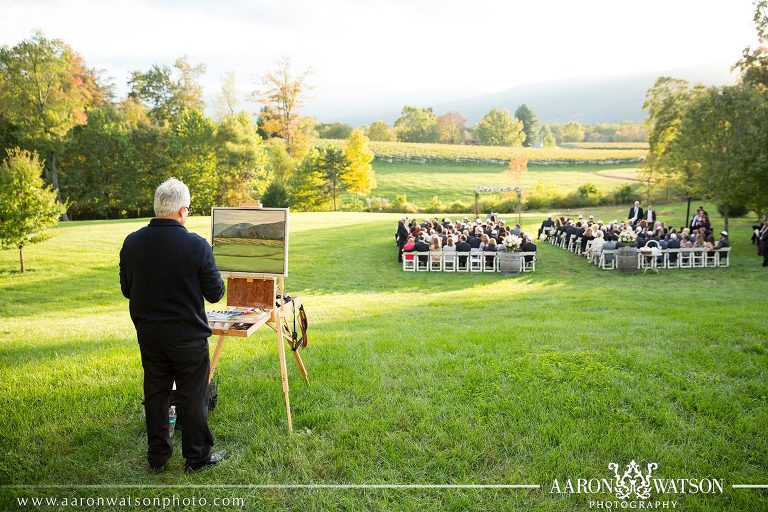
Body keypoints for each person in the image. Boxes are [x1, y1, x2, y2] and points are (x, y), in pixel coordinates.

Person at [119, 178, 227, 473]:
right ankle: (197, 458)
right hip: (188, 338)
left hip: (149, 336)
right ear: (182, 211)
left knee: (155, 394)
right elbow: (216, 293)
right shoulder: (197, 245)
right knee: (192, 396)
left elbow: (127, 289)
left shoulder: (132, 243)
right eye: (188, 210)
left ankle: (157, 457)